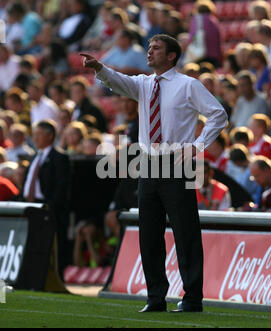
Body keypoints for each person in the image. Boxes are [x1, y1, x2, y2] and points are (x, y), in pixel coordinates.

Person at [81, 33, 227, 313]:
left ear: (172, 56)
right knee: (149, 234)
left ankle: (193, 298)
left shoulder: (188, 85)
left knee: (185, 232)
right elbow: (119, 81)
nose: (150, 52)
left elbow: (218, 114)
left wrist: (197, 146)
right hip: (148, 164)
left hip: (178, 162)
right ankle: (155, 297)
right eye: (149, 48)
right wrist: (99, 68)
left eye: (156, 48)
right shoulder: (145, 85)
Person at [22, 120, 70, 278]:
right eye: (34, 134)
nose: (34, 138)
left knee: (51, 246)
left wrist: (51, 207)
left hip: (47, 208)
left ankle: (54, 277)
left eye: (38, 134)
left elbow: (62, 185)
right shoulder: (35, 156)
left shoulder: (59, 157)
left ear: (50, 136)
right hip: (30, 205)